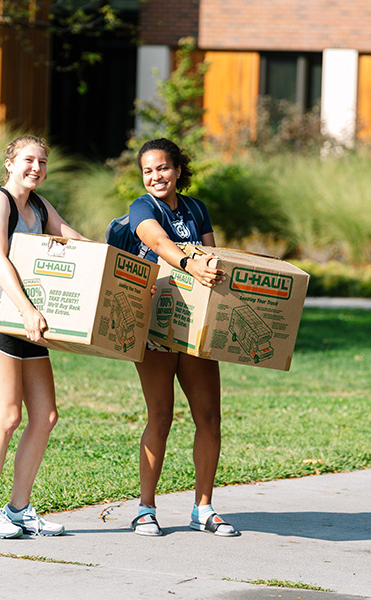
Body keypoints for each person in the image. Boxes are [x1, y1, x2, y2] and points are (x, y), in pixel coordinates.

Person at [0, 135, 88, 539]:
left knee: (46, 416)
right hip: (0, 314)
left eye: (42, 161)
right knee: (8, 415)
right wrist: (27, 310)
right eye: (28, 160)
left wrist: (114, 261)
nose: (36, 167)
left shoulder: (38, 205)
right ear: (10, 163)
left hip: (29, 321)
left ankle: (18, 508)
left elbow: (73, 239)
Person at [127, 138, 240, 538]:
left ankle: (203, 508)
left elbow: (215, 256)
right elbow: (156, 241)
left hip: (197, 328)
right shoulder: (142, 207)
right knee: (160, 415)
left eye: (162, 168)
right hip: (156, 324)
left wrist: (209, 265)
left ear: (177, 169)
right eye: (148, 170)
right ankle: (145, 508)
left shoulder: (196, 208)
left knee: (209, 417)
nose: (155, 176)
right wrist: (192, 263)